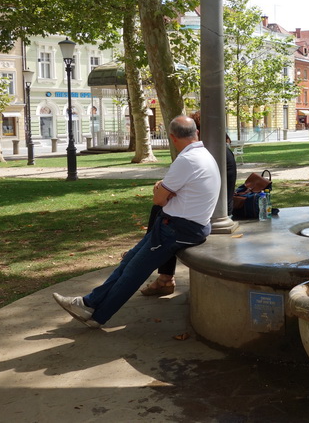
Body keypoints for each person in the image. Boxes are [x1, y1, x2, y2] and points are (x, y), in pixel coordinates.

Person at [52, 115, 220, 327]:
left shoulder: (187, 160)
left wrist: (162, 189)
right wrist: (166, 190)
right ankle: (87, 303)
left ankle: (97, 315)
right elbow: (173, 191)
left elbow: (159, 199)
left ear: (172, 137)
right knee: (129, 260)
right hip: (185, 226)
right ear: (196, 132)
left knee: (133, 271)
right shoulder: (204, 154)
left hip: (178, 229)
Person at [139, 112, 236, 297]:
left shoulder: (205, 154)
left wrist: (166, 189)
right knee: (164, 212)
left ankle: (160, 270)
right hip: (209, 210)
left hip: (212, 215)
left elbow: (169, 195)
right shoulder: (214, 151)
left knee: (164, 213)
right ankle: (152, 257)